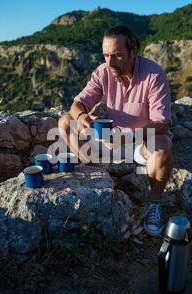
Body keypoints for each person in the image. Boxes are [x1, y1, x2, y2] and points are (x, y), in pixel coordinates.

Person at [58, 25, 173, 236]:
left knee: (162, 145)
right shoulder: (103, 71)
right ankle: (97, 176)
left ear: (133, 53)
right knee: (66, 122)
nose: (109, 62)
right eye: (106, 55)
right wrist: (83, 117)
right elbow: (77, 105)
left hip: (140, 142)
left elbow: (162, 123)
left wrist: (128, 136)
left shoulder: (154, 75)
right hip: (110, 138)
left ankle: (154, 204)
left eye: (117, 56)